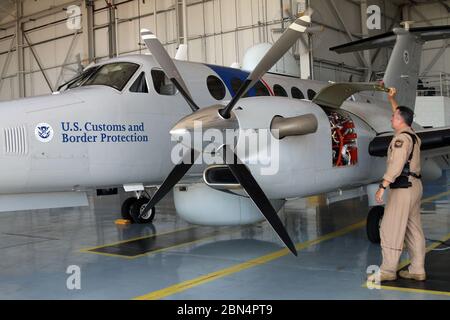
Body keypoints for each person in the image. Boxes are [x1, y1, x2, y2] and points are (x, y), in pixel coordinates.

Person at [368, 88, 426, 283]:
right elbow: (401, 114)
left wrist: (383, 186)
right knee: (413, 229)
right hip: (415, 186)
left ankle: (388, 270)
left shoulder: (401, 139)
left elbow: (397, 164)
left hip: (402, 188)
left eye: (393, 117)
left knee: (390, 228)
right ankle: (417, 269)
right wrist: (392, 99)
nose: (391, 119)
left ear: (400, 120)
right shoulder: (411, 134)